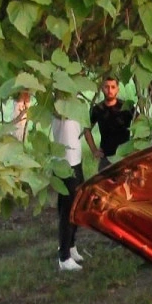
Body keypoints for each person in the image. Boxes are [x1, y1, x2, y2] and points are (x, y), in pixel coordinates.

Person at [53, 114, 86, 271]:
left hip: (76, 161)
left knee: (76, 205)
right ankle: (64, 257)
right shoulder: (59, 106)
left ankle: (71, 245)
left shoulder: (74, 103)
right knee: (67, 209)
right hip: (65, 164)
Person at [85, 75, 135, 172]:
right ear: (102, 88)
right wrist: (94, 150)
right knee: (104, 185)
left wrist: (135, 147)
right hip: (106, 157)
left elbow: (141, 123)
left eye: (113, 87)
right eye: (106, 87)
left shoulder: (127, 107)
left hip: (124, 156)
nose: (110, 90)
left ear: (117, 89)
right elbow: (87, 129)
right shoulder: (97, 109)